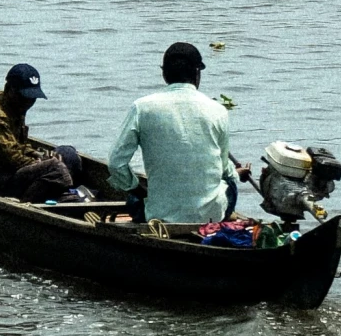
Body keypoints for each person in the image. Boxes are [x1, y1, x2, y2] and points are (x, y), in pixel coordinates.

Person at [107, 42, 249, 224]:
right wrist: (237, 174)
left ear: (164, 74)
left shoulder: (142, 107)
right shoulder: (218, 110)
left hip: (158, 216)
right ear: (197, 74)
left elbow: (116, 164)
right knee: (230, 183)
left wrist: (137, 189)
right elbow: (223, 170)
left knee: (134, 198)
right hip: (210, 216)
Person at [0, 63, 84, 201]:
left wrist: (39, 154)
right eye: (24, 97)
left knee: (68, 154)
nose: (28, 102)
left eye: (32, 98)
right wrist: (40, 162)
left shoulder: (14, 105)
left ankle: (59, 192)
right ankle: (28, 202)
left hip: (7, 170)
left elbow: (19, 145)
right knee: (55, 167)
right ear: (9, 90)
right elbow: (13, 158)